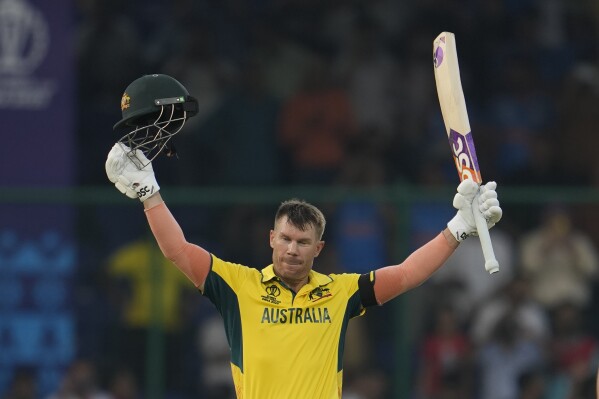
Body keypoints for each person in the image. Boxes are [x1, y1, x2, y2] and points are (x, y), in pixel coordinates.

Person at [104, 74, 502, 399]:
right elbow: (176, 251)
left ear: (319, 249)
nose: (292, 249)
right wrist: (149, 193)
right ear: (271, 239)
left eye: (303, 242)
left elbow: (407, 273)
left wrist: (458, 228)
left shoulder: (340, 292)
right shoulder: (238, 286)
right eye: (286, 239)